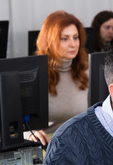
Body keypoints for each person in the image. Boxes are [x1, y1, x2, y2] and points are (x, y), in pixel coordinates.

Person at [31, 10, 89, 145]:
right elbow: (16, 122)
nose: (73, 44)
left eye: (76, 37)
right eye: (65, 38)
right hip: (49, 144)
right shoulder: (35, 74)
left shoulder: (88, 68)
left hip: (82, 142)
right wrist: (28, 132)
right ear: (50, 41)